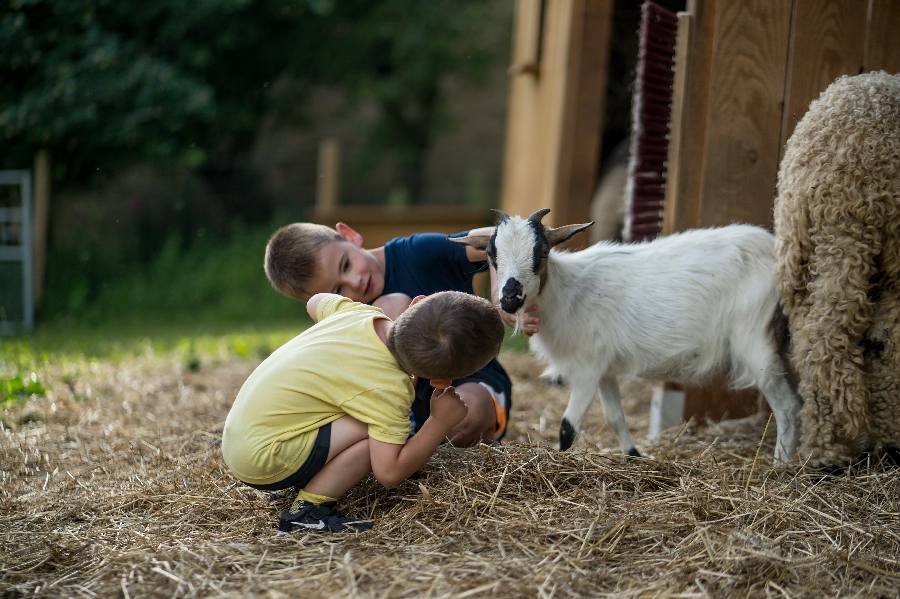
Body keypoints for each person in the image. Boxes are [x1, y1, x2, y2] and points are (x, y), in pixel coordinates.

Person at [222, 290, 505, 533]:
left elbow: (315, 301)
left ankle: (301, 477)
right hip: (263, 459)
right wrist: (438, 422)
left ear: (416, 302)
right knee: (376, 433)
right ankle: (308, 511)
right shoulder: (388, 391)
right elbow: (389, 472)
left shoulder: (358, 313)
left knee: (358, 415)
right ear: (442, 381)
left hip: (239, 438)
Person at [263, 221, 540, 446]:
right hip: (401, 408)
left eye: (346, 265)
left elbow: (500, 235)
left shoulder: (413, 253)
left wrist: (499, 296)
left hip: (471, 380)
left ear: (350, 235)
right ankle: (402, 436)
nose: (354, 283)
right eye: (337, 290)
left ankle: (417, 441)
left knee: (464, 419)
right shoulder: (340, 317)